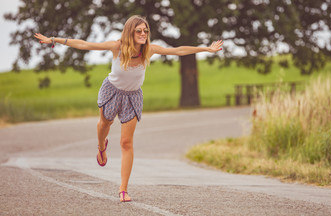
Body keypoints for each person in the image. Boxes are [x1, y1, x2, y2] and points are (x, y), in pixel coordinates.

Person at [34, 15, 223, 202]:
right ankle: (101, 147)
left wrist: (207, 48)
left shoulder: (149, 50)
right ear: (130, 32)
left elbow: (179, 50)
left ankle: (123, 189)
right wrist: (53, 40)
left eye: (145, 30)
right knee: (104, 124)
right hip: (112, 91)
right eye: (139, 30)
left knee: (126, 143)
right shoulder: (117, 47)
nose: (143, 34)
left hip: (132, 97)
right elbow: (85, 44)